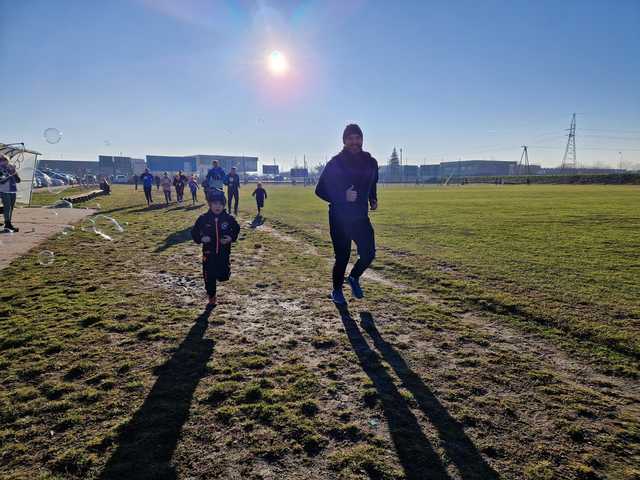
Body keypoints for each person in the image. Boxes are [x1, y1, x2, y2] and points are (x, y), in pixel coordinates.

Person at [315, 123, 379, 305]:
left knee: (369, 253)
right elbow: (319, 190)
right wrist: (342, 196)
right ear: (344, 141)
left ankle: (353, 277)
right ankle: (336, 290)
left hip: (360, 217)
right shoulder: (335, 163)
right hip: (339, 218)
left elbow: (372, 182)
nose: (354, 142)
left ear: (362, 139)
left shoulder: (371, 162)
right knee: (342, 256)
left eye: (357, 137)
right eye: (350, 138)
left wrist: (373, 198)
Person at [191, 190, 240, 308]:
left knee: (223, 276)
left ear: (224, 205)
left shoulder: (228, 218)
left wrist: (230, 238)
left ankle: (221, 274)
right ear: (210, 204)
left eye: (220, 204)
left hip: (224, 253)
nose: (217, 206)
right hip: (209, 254)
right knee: (209, 276)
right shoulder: (203, 219)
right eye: (215, 204)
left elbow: (236, 229)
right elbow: (194, 232)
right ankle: (211, 296)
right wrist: (202, 238)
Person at [0, 154, 21, 232]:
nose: (4, 161)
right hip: (4, 190)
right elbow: (1, 181)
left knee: (10, 208)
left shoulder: (11, 167)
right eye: (1, 160)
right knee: (7, 207)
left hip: (12, 190)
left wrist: (15, 174)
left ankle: (8, 224)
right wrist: (8, 176)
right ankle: (7, 224)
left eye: (5, 159)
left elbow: (18, 180)